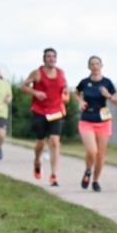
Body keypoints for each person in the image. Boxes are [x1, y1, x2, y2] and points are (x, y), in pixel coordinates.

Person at [21, 48, 69, 186]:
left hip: (56, 111)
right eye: (48, 56)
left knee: (54, 141)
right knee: (41, 143)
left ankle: (54, 175)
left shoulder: (61, 73)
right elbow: (23, 87)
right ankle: (37, 161)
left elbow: (65, 91)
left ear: (56, 59)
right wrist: (35, 92)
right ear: (44, 58)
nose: (51, 59)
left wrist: (65, 97)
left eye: (53, 56)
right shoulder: (37, 73)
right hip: (40, 111)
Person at [76, 56, 117, 192]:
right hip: (87, 120)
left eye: (97, 64)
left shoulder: (107, 82)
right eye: (92, 64)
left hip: (103, 121)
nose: (95, 66)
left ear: (101, 65)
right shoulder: (84, 82)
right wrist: (80, 101)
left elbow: (116, 100)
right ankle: (88, 170)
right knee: (92, 151)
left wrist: (108, 96)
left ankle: (95, 180)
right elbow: (76, 93)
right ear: (89, 67)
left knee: (100, 154)